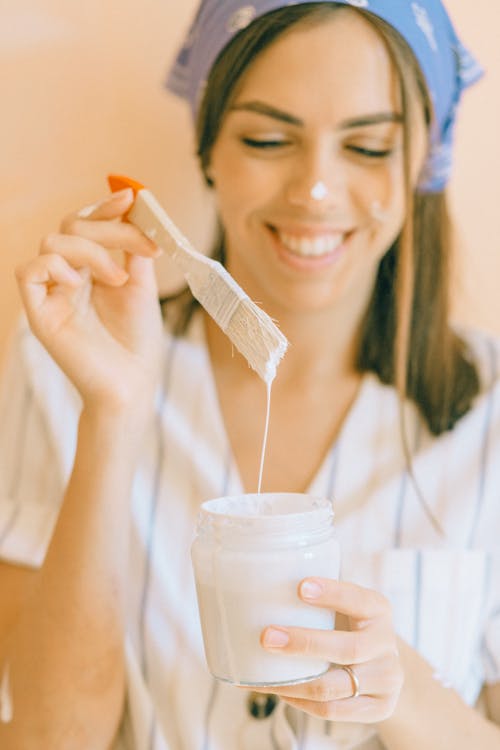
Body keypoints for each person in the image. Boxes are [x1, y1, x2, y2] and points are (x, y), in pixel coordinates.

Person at [0, 1, 499, 748]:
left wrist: (397, 687)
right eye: (268, 138)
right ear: (208, 150)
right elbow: (48, 736)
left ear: (423, 161)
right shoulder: (70, 362)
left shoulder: (491, 407)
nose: (316, 192)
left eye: (367, 147)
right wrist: (115, 415)